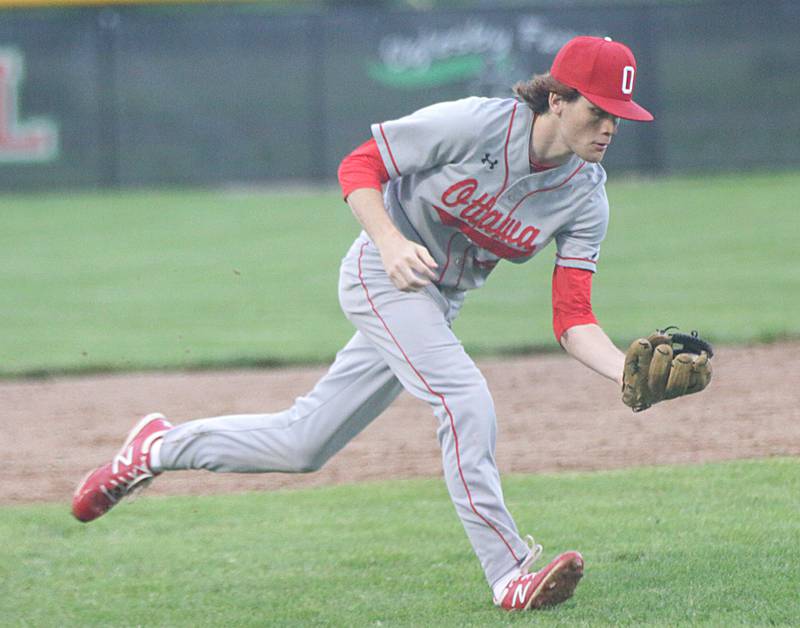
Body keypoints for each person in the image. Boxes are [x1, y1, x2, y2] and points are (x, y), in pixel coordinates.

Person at [72, 36, 654, 611]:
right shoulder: (476, 126)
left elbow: (573, 317)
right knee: (464, 397)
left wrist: (624, 370)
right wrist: (390, 240)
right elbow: (361, 163)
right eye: (598, 110)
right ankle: (509, 574)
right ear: (557, 99)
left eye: (619, 117)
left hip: (435, 304)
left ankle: (154, 449)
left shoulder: (584, 198)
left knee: (303, 443)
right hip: (381, 272)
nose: (608, 128)